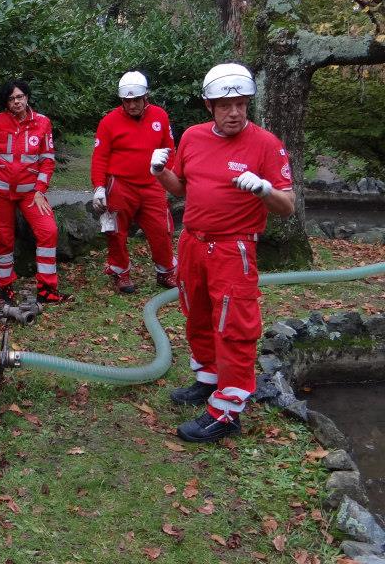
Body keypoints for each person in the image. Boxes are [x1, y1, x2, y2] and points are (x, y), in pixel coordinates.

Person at [152, 63, 295, 443]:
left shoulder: (266, 144)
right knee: (196, 311)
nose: (234, 112)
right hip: (194, 242)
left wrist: (264, 189)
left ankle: (228, 411)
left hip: (234, 247)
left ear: (248, 103)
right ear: (209, 106)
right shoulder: (195, 138)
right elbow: (181, 187)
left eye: (241, 104)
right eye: (224, 105)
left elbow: (288, 206)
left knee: (234, 326)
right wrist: (159, 172)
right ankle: (208, 379)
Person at [0, 79, 64, 304]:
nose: (16, 101)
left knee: (48, 230)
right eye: (11, 99)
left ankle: (47, 288)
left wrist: (40, 189)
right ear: (6, 103)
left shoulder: (43, 123)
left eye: (20, 96)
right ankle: (5, 288)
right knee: (4, 239)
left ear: (27, 97)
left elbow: (47, 159)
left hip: (31, 192)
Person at [90, 71, 177, 294]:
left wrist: (173, 178)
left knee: (161, 229)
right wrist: (99, 186)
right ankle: (120, 272)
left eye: (136, 100)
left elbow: (170, 149)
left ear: (145, 98)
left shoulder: (160, 116)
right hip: (120, 184)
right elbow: (100, 156)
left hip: (152, 183)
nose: (132, 106)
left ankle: (166, 271)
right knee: (116, 231)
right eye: (127, 101)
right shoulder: (109, 121)